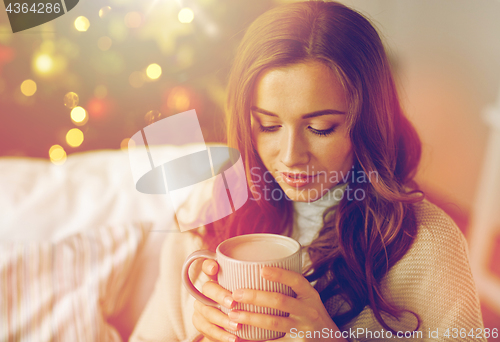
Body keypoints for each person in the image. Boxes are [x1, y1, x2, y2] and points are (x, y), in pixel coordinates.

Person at [130, 1, 485, 341]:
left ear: (368, 123)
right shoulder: (212, 210)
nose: (290, 157)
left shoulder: (425, 242)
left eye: (320, 128)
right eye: (268, 126)